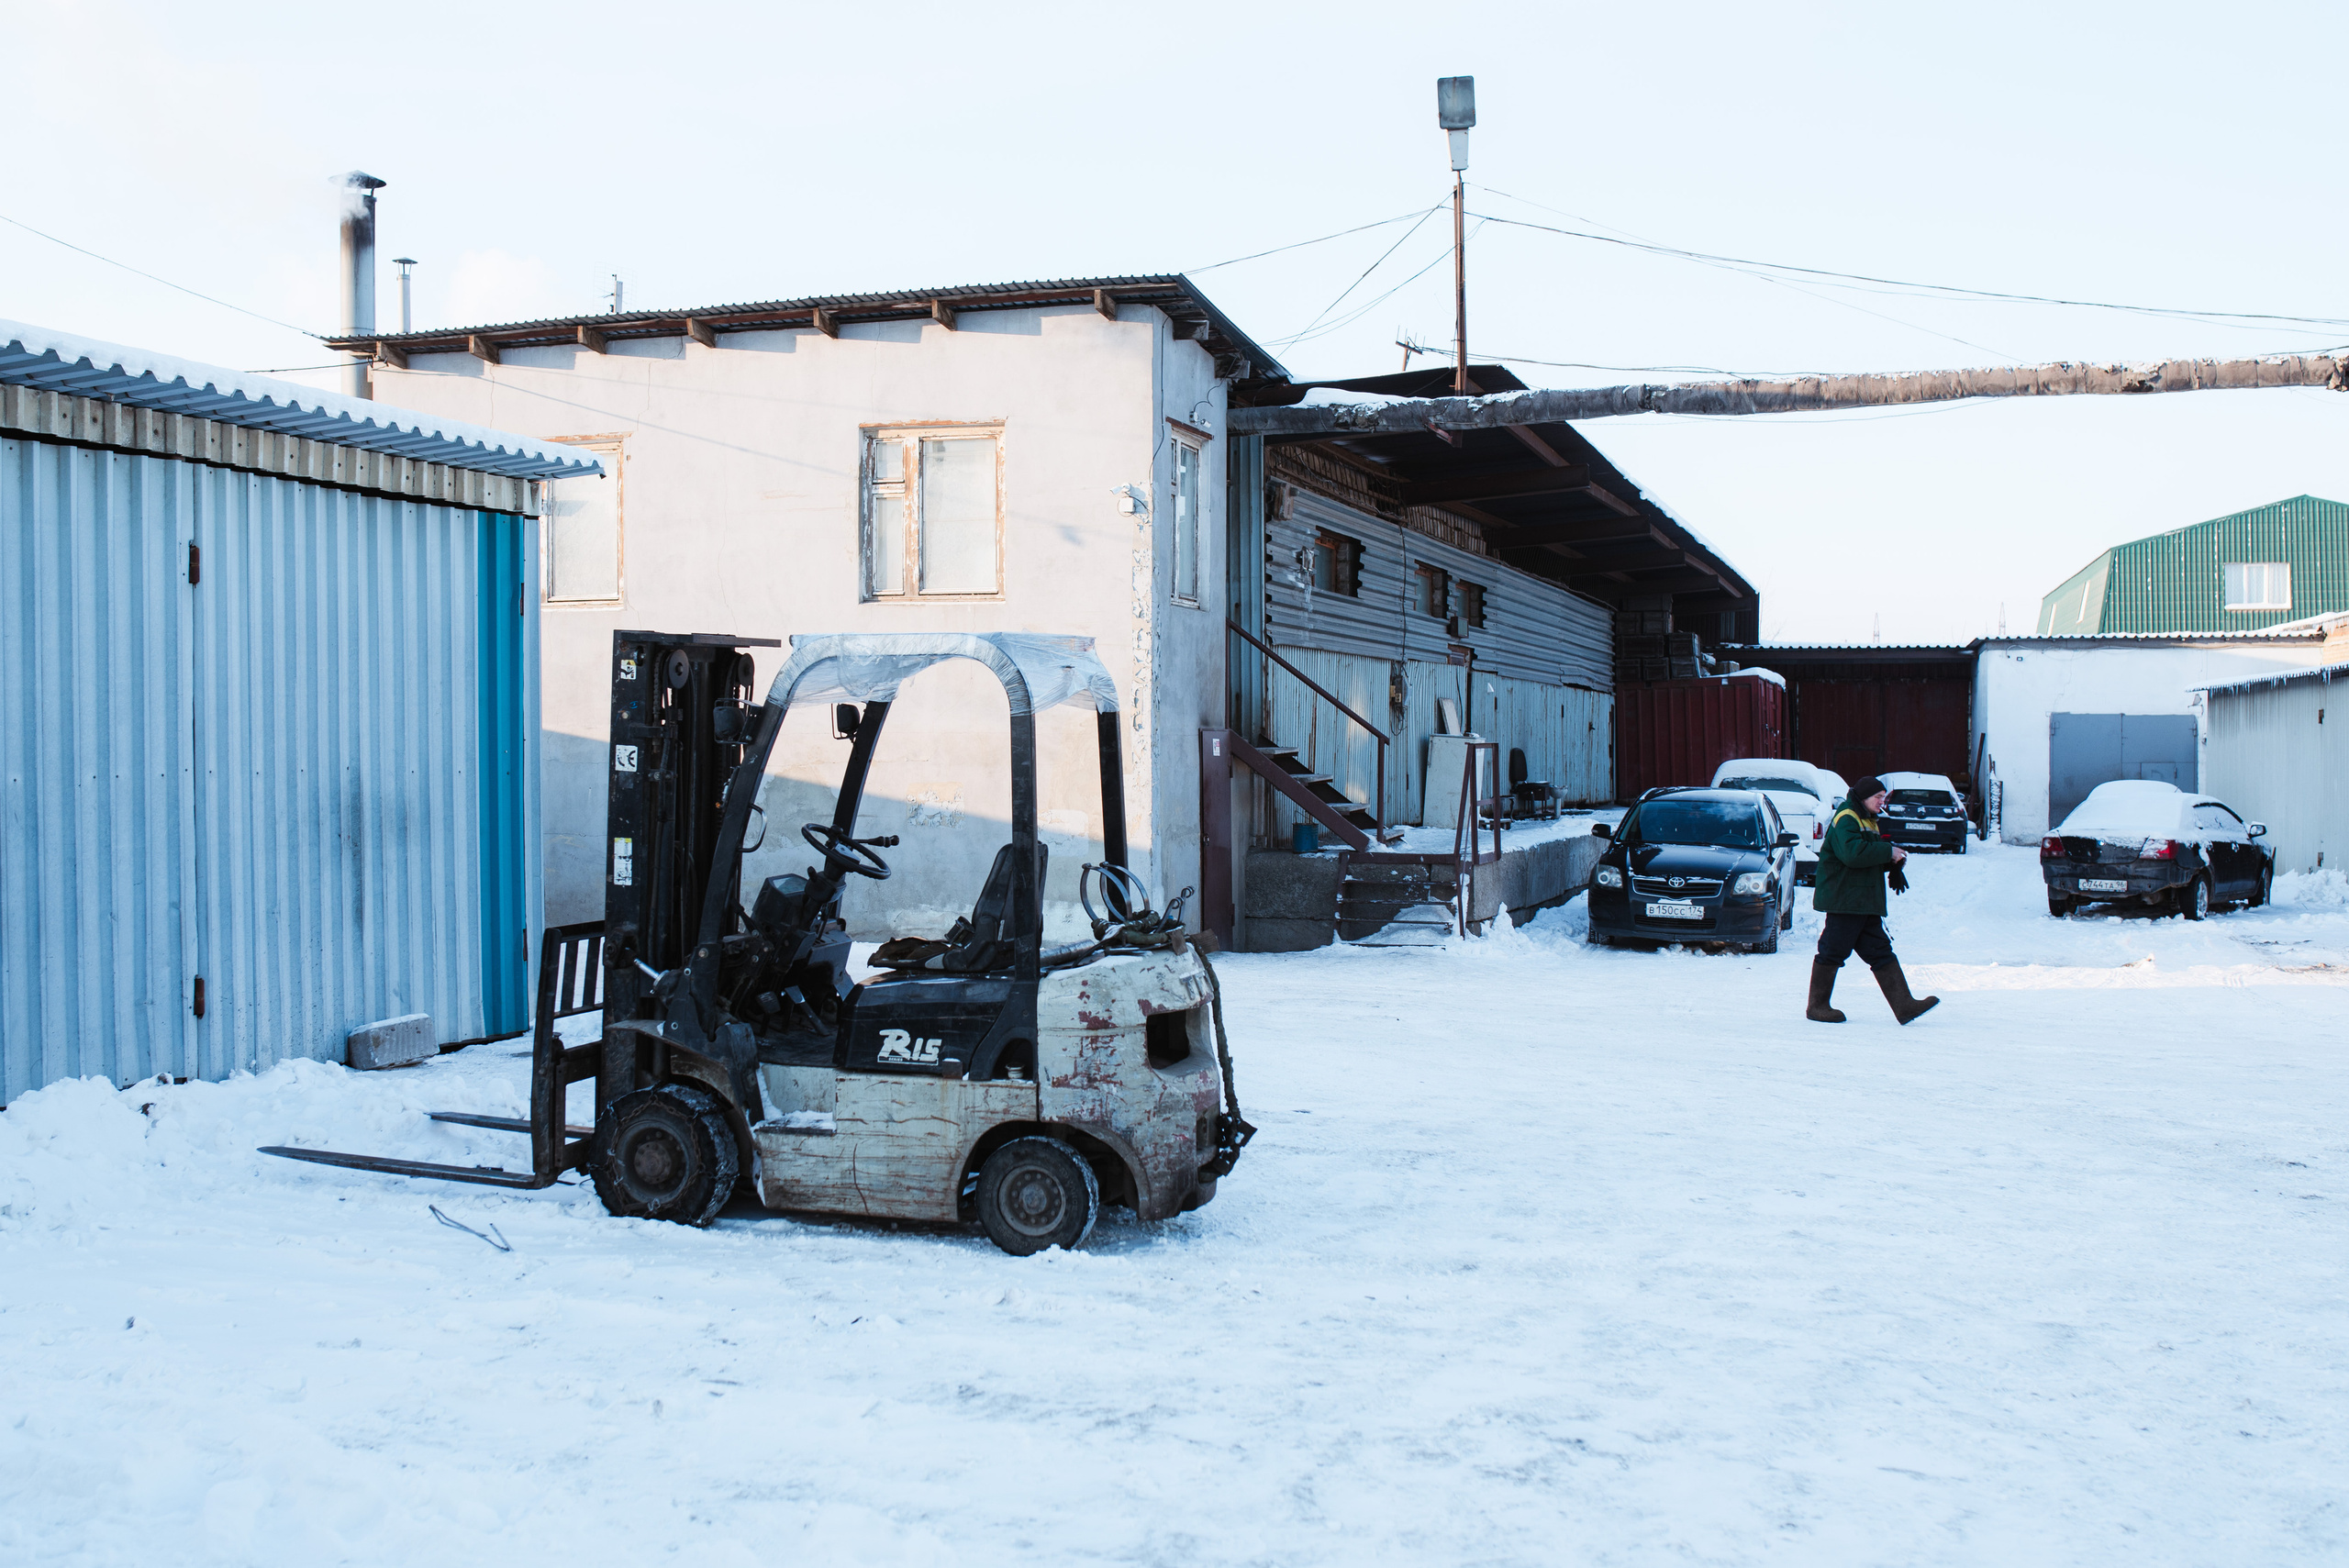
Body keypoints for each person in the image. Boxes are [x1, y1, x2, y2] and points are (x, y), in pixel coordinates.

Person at [1806, 774, 1940, 1025]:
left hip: (1861, 899)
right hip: (1846, 900)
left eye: (1884, 798)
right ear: (1864, 797)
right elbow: (1852, 854)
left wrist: (1892, 863)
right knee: (1832, 951)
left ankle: (1904, 1005)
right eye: (1878, 797)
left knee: (1879, 951)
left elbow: (1864, 857)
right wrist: (1886, 851)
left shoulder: (1866, 819)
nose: (1882, 802)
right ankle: (1818, 1006)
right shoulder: (1847, 818)